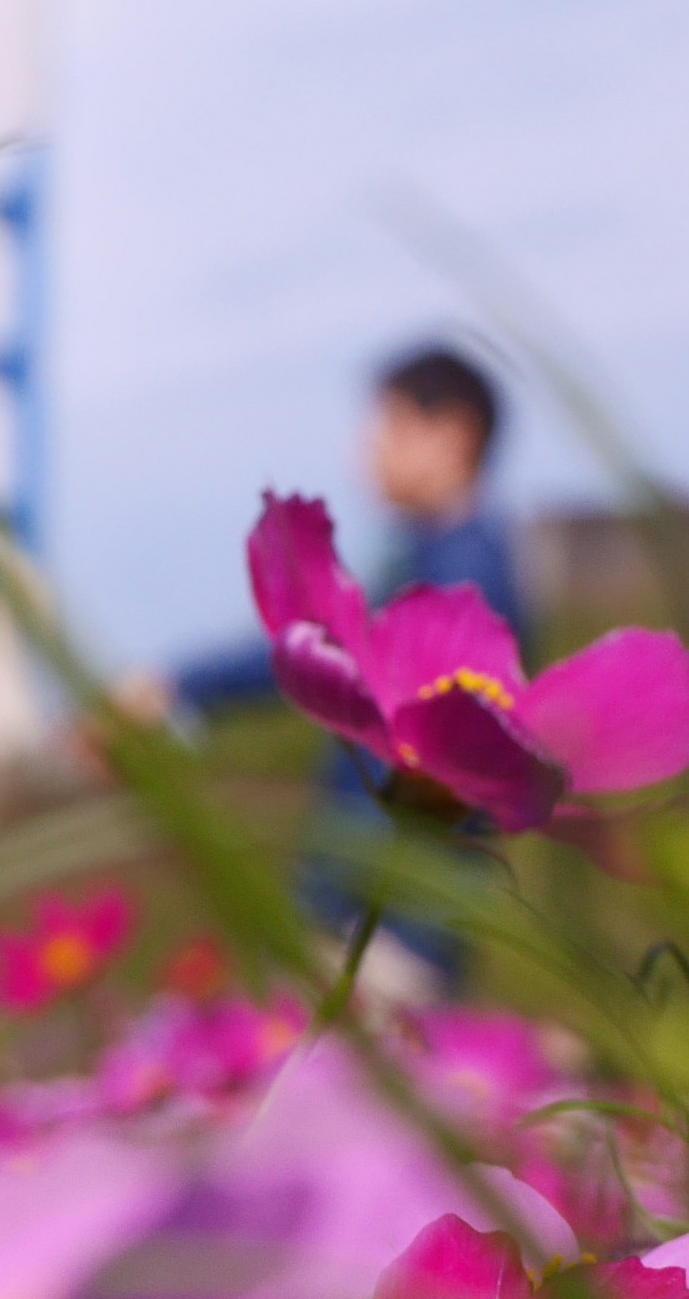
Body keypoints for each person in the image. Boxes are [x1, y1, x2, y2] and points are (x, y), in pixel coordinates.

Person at [150, 344, 528, 978]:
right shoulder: (433, 562)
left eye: (390, 425)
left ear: (452, 436)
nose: (368, 448)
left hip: (388, 927)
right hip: (381, 918)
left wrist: (181, 686)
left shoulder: (463, 580)